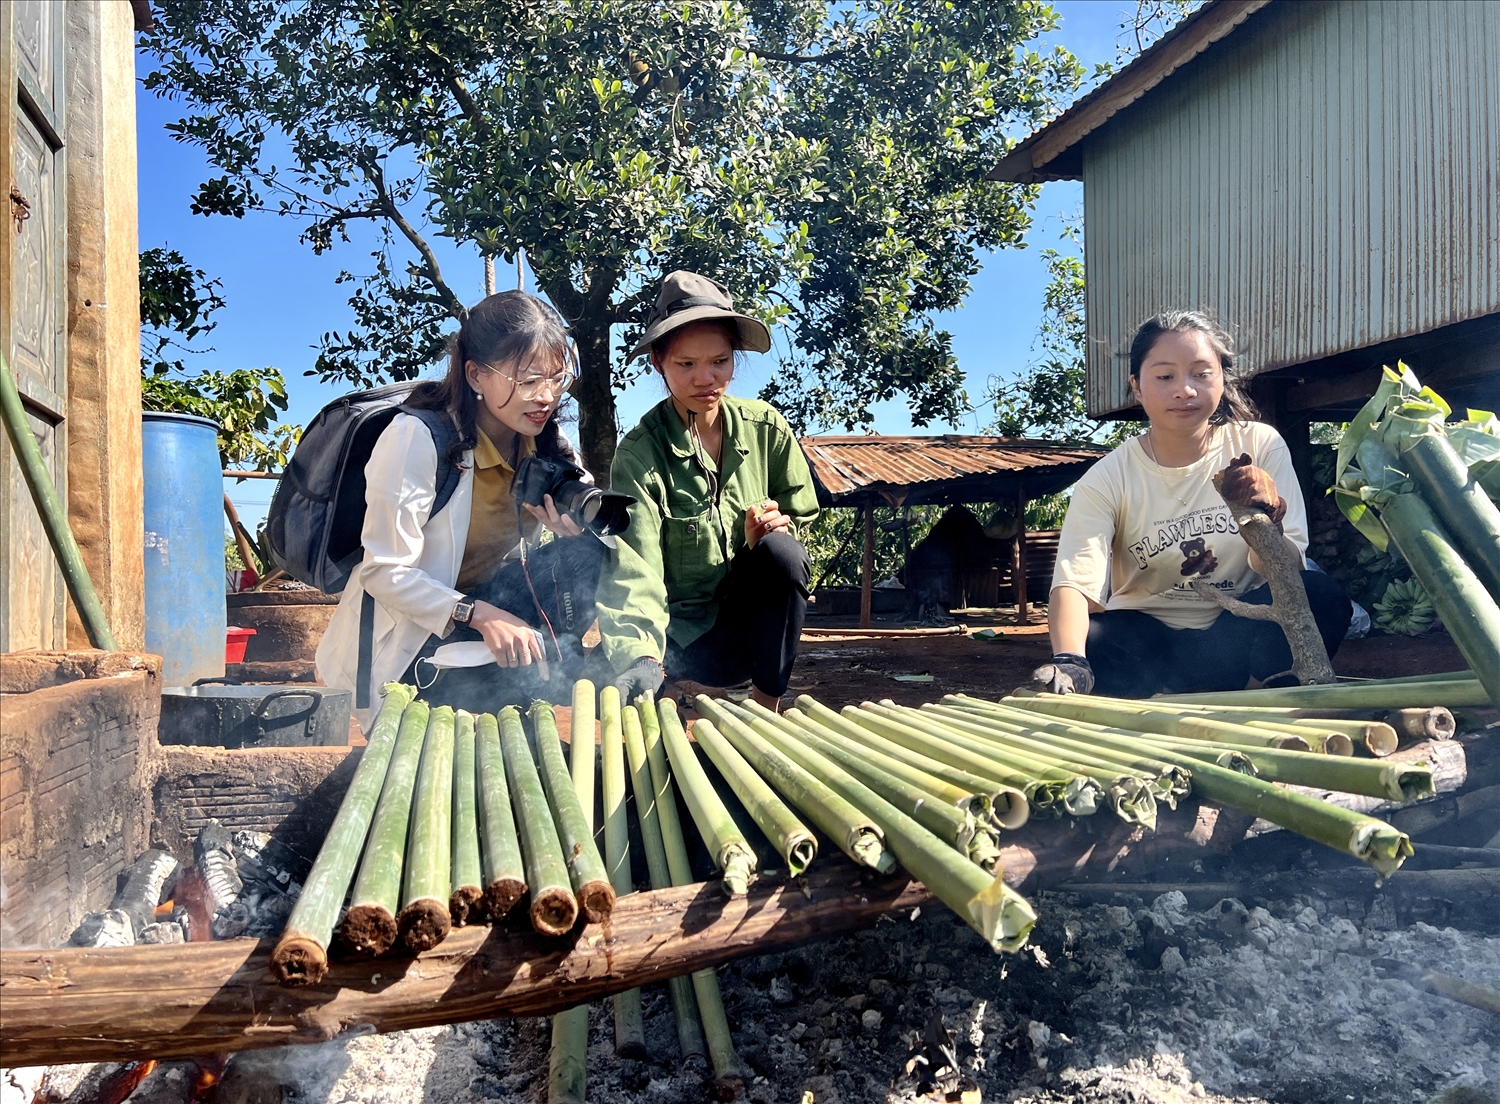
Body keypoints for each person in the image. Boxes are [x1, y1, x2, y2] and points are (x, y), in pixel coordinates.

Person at [316, 291, 607, 726]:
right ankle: (453, 690)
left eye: (557, 378)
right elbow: (384, 570)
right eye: (528, 381)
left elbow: (587, 526)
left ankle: (537, 671)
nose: (546, 396)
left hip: (494, 599)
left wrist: (575, 528)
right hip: (420, 632)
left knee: (593, 551)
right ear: (475, 376)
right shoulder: (418, 437)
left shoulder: (547, 442)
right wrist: (479, 613)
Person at [1039, 310, 1351, 698]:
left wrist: (1263, 526)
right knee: (1098, 638)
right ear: (1137, 387)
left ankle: (1257, 693)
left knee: (1320, 595)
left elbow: (1286, 572)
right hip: (1152, 647)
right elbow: (1073, 584)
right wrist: (1071, 660)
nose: (1184, 390)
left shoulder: (1258, 446)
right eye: (1165, 376)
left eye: (1201, 373)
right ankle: (1163, 694)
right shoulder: (1108, 477)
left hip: (1239, 635)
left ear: (1222, 378)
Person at [595, 271, 820, 711]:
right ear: (659, 362)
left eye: (719, 361)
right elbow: (633, 565)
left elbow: (799, 521)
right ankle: (679, 685)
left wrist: (774, 534)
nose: (706, 378)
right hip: (682, 645)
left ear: (734, 356)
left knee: (782, 553)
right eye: (686, 365)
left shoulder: (766, 428)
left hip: (751, 636)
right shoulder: (640, 453)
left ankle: (766, 705)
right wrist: (641, 656)